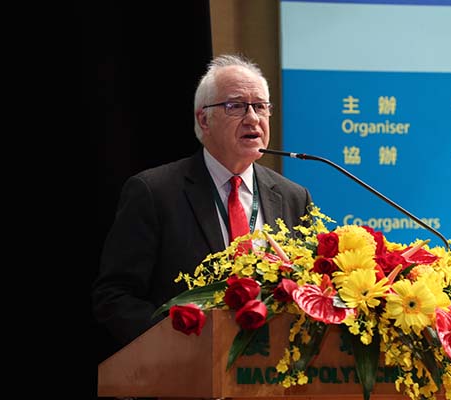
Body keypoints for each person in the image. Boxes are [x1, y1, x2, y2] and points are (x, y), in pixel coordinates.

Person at [92, 54, 313, 350]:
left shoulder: (293, 197)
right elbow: (115, 296)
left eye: (260, 106)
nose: (253, 118)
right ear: (204, 120)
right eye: (236, 106)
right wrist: (178, 343)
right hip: (183, 366)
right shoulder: (155, 192)